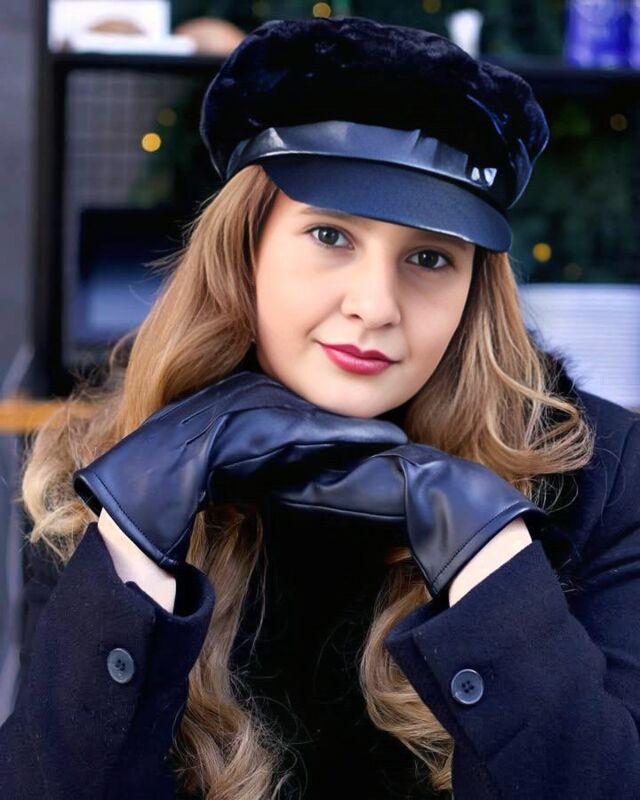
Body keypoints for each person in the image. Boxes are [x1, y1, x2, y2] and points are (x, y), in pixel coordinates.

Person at [1, 14, 639, 800]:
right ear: (246, 249)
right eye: (331, 236)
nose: (375, 305)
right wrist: (136, 537)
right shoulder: (114, 462)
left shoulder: (602, 475)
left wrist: (486, 546)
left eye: (430, 257)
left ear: (474, 289)